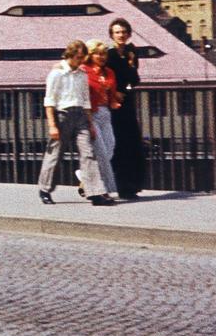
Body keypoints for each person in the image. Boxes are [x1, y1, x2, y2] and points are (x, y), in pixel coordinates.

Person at [38, 41, 113, 206]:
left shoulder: (82, 74)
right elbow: (49, 100)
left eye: (82, 58)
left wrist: (90, 124)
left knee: (88, 154)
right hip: (62, 115)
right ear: (69, 55)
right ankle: (44, 189)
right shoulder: (57, 73)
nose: (80, 61)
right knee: (55, 154)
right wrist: (52, 125)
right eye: (78, 58)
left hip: (81, 116)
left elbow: (86, 100)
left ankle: (95, 193)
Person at [105, 18, 148, 200]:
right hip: (113, 103)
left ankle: (131, 186)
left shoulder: (131, 52)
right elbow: (104, 78)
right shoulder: (109, 54)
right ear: (112, 35)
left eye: (123, 32)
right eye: (117, 32)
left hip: (127, 101)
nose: (121, 35)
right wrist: (115, 93)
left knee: (132, 143)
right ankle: (120, 185)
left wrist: (126, 90)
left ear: (129, 34)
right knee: (118, 144)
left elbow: (134, 80)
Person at [82, 39, 121, 198]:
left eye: (103, 53)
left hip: (106, 113)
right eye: (97, 54)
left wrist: (115, 100)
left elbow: (111, 93)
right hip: (91, 114)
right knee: (102, 153)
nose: (101, 56)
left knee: (110, 147)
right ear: (90, 55)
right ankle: (104, 190)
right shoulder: (84, 70)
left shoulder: (109, 72)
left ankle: (86, 178)